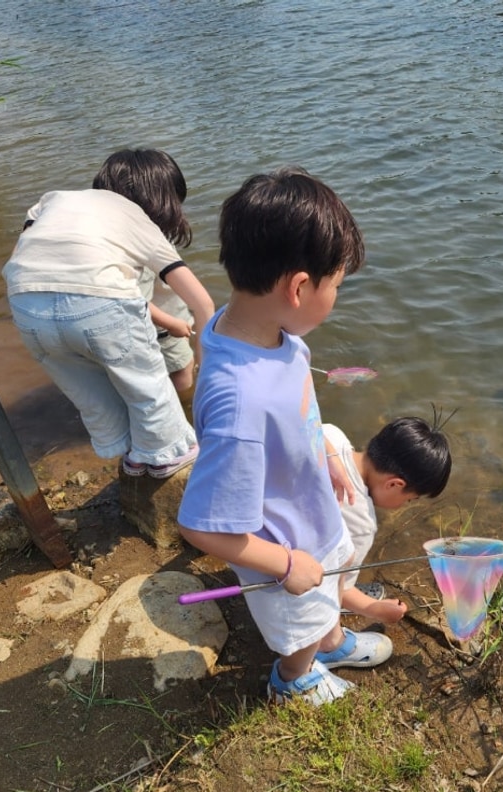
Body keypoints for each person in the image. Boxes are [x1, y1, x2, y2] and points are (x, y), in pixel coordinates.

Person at [178, 166, 392, 706]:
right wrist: (288, 565)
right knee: (300, 623)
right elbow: (204, 528)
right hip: (283, 548)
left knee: (327, 596)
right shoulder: (240, 400)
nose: (336, 296)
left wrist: (325, 450)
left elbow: (302, 406)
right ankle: (293, 678)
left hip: (311, 510)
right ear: (299, 287)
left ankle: (333, 639)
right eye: (336, 285)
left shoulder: (267, 334)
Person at [2, 148, 215, 478]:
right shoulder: (137, 220)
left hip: (25, 302)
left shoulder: (52, 199)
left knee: (90, 391)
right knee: (146, 384)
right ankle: (169, 455)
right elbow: (202, 304)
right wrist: (208, 365)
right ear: (165, 201)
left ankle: (130, 453)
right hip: (98, 306)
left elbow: (22, 255)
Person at [323, 418, 452, 624]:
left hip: (264, 539)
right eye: (409, 499)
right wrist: (373, 609)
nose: (405, 505)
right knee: (337, 587)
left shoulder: (331, 434)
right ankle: (333, 645)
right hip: (287, 581)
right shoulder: (361, 524)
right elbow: (338, 588)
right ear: (394, 484)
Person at [139, 268, 197, 395]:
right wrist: (171, 324)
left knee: (183, 362)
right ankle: (184, 404)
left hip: (175, 321)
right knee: (182, 368)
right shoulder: (144, 257)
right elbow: (138, 300)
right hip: (165, 329)